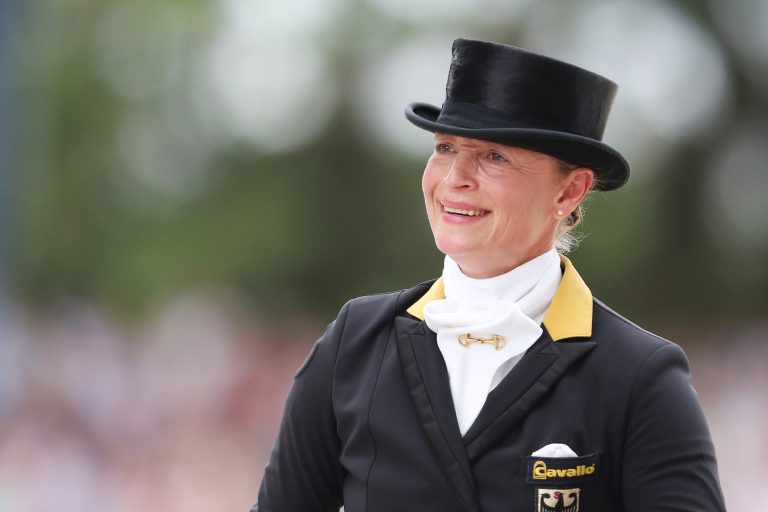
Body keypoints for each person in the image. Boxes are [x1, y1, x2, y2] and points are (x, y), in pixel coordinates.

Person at [252, 38, 725, 512]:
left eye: (494, 156)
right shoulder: (355, 343)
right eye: (444, 147)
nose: (455, 176)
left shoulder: (638, 375)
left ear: (570, 191)